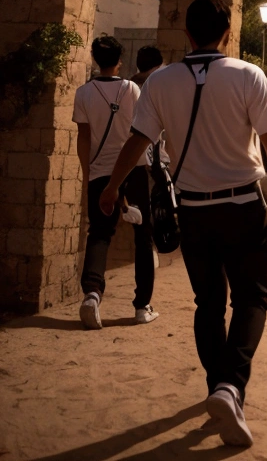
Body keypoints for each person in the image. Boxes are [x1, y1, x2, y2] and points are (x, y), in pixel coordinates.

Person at [99, 0, 267, 448]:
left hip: (193, 210)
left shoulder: (161, 82)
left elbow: (138, 141)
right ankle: (231, 386)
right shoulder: (248, 75)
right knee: (252, 299)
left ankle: (217, 386)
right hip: (243, 205)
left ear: (186, 33)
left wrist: (112, 187)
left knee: (208, 302)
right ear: (227, 32)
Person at [74, 35, 158, 329]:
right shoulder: (132, 89)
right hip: (132, 169)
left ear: (96, 60)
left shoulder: (83, 93)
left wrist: (88, 175)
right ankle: (141, 306)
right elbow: (140, 131)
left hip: (100, 172)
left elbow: (83, 138)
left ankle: (92, 295)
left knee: (98, 233)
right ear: (120, 60)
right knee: (143, 235)